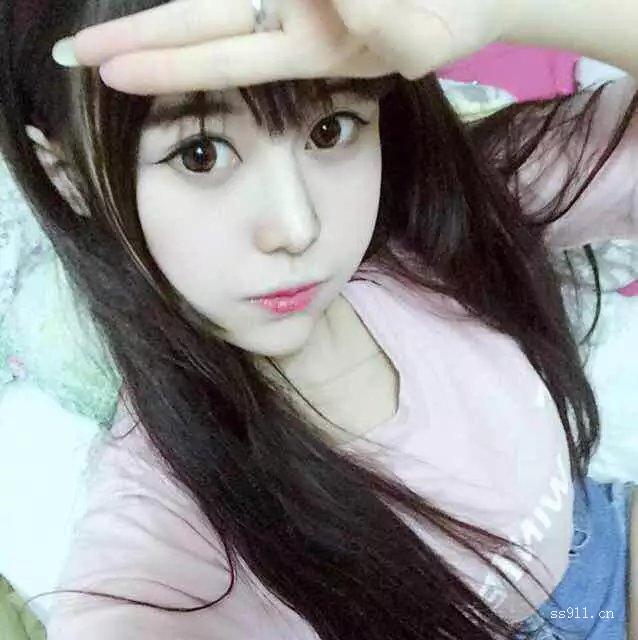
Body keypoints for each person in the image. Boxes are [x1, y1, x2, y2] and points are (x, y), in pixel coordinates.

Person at [0, 0, 636, 638]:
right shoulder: (163, 540)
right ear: (68, 177)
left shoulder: (439, 222)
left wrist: (513, 9)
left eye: (330, 129)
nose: (297, 227)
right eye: (200, 153)